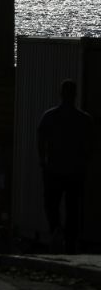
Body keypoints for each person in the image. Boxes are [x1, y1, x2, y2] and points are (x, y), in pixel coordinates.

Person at [38, 79, 94, 253]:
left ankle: (56, 230)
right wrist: (84, 163)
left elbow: (40, 140)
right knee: (73, 208)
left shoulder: (49, 116)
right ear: (75, 95)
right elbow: (90, 146)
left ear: (61, 94)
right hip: (75, 171)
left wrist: (43, 162)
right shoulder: (84, 119)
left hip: (54, 169)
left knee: (51, 204)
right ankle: (70, 242)